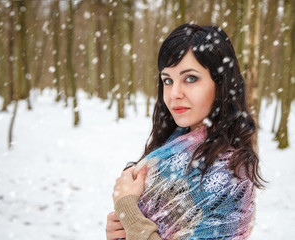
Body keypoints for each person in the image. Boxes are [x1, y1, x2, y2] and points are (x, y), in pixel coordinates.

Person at [106, 23, 265, 240]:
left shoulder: (231, 177)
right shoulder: (171, 147)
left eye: (190, 78)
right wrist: (123, 229)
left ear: (221, 85)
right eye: (168, 80)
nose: (174, 93)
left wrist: (131, 215)